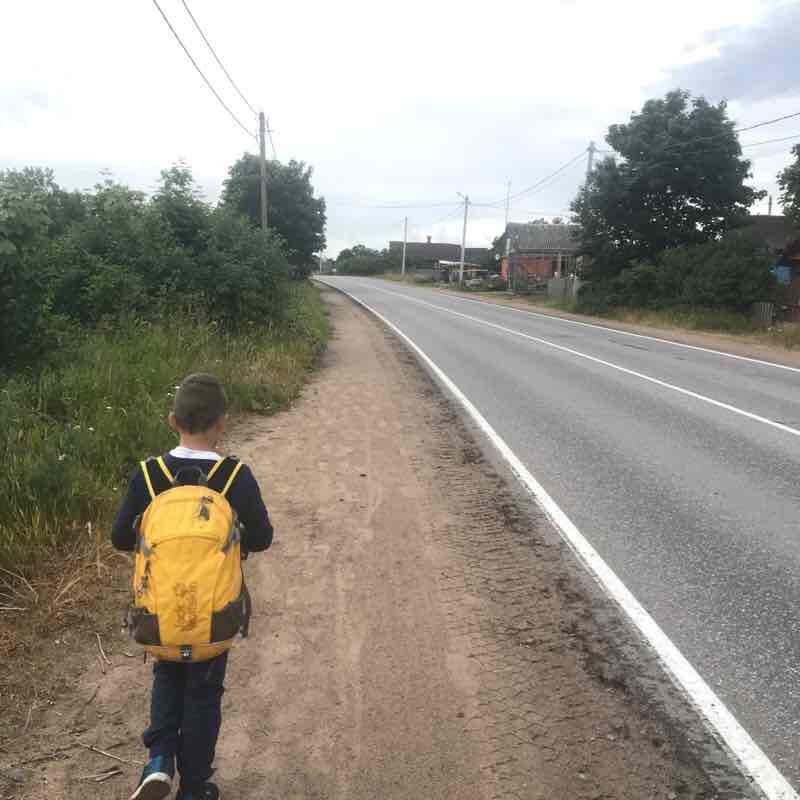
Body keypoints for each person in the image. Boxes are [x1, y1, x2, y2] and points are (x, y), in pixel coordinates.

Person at [112, 373, 273, 800]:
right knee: (204, 693)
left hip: (160, 611)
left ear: (172, 420)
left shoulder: (149, 475)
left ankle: (160, 760)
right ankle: (196, 786)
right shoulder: (234, 475)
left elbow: (118, 537)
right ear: (222, 423)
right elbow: (261, 537)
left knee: (167, 675)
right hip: (214, 613)